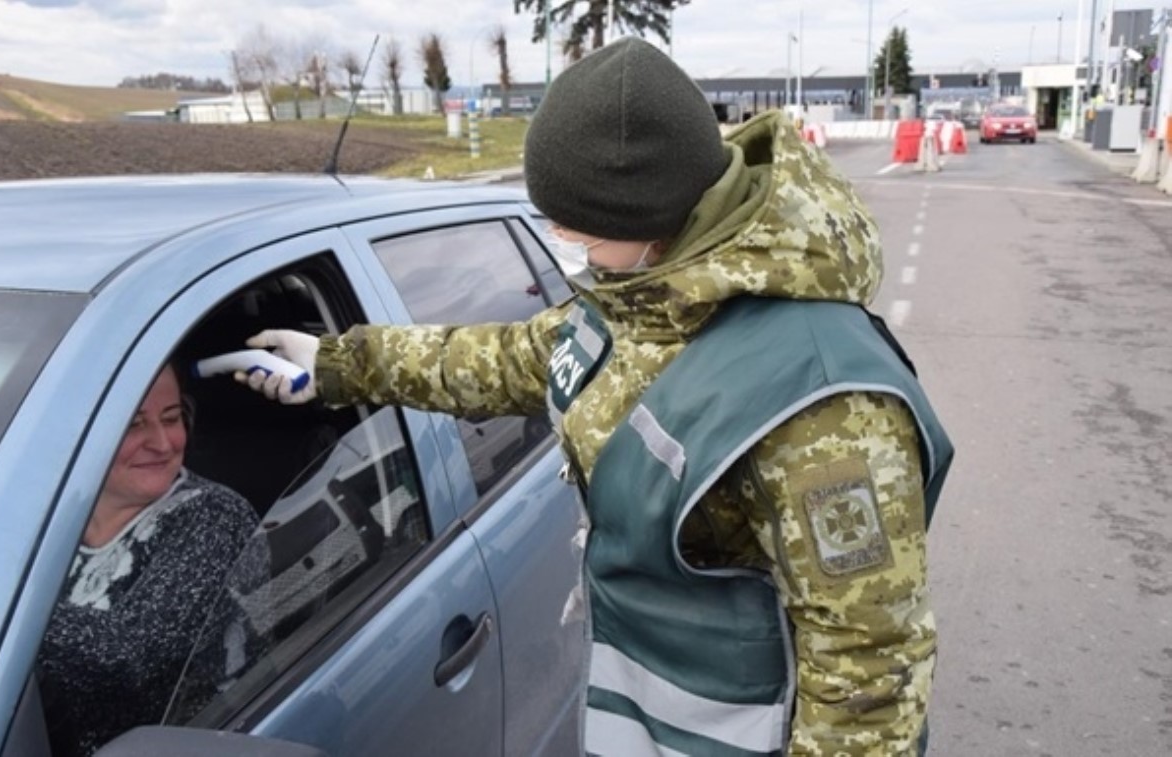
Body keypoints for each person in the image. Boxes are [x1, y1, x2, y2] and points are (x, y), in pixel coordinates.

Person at [239, 38, 953, 756]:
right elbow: (509, 359)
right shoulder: (642, 297)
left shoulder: (821, 404)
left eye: (573, 225)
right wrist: (339, 362)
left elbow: (869, 668)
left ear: (645, 213)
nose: (558, 236)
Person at [38, 363, 260, 757]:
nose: (162, 443)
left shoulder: (217, 517)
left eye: (171, 418)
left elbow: (130, 657)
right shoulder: (35, 511)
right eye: (134, 425)